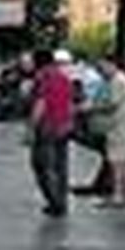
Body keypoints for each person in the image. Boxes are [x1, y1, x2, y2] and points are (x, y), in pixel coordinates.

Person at [29, 48, 74, 217]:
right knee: (61, 166)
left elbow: (40, 104)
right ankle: (61, 201)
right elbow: (70, 103)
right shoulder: (64, 78)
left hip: (47, 127)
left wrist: (30, 128)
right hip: (64, 126)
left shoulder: (42, 77)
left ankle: (54, 202)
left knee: (42, 165)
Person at [97, 56, 125, 206]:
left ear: (111, 65)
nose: (100, 71)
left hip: (119, 127)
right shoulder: (123, 79)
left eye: (102, 67)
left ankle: (118, 195)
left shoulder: (117, 81)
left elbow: (112, 104)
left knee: (116, 162)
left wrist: (92, 108)